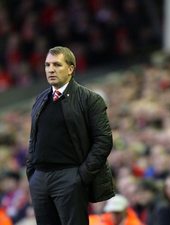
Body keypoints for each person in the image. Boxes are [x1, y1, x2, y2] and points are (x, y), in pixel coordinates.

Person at [26, 46, 115, 225]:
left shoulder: (90, 99)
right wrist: (32, 172)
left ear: (71, 68)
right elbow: (34, 138)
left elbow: (104, 140)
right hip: (40, 178)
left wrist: (81, 175)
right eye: (47, 65)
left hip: (69, 176)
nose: (50, 69)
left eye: (57, 65)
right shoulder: (41, 99)